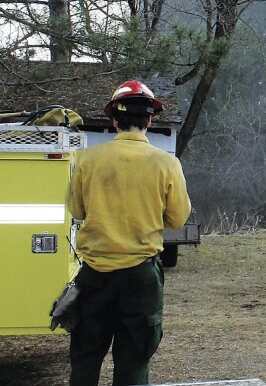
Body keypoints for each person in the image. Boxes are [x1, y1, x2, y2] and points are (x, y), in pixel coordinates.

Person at [67, 80, 192, 386]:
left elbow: (77, 211)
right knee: (133, 364)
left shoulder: (86, 160)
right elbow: (177, 219)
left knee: (85, 360)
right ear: (150, 119)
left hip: (94, 277)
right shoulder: (167, 163)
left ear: (114, 119)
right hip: (141, 280)